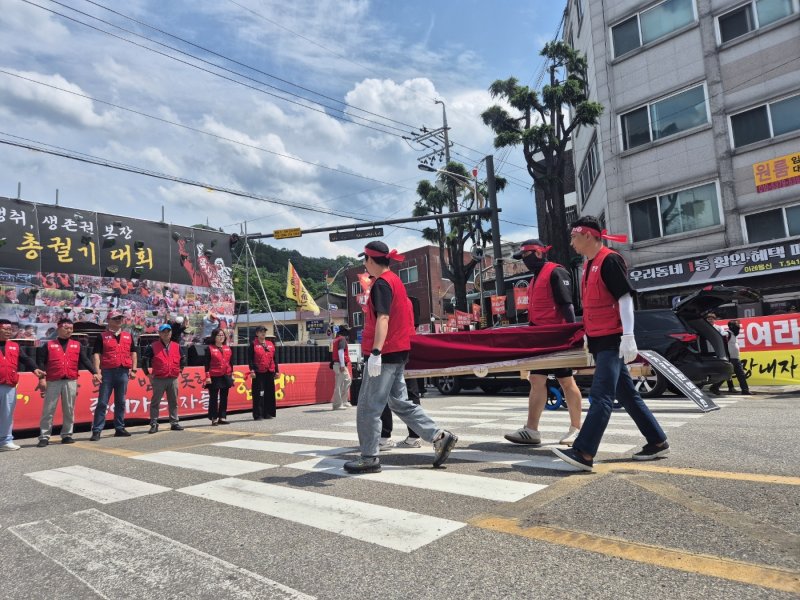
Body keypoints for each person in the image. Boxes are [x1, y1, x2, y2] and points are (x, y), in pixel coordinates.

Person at [552, 216, 669, 472]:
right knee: (627, 394)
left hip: (613, 339)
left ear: (588, 236)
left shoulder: (609, 259)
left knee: (600, 396)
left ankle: (584, 451)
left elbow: (625, 298)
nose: (571, 242)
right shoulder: (588, 265)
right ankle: (657, 441)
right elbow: (595, 306)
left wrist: (629, 336)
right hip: (600, 338)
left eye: (574, 236)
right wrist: (587, 334)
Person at [343, 241, 457, 474]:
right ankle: (439, 436)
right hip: (398, 352)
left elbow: (383, 319)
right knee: (399, 402)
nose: (364, 265)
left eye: (364, 260)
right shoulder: (396, 282)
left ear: (371, 260)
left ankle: (369, 457)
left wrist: (375, 353)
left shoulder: (381, 284)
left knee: (367, 406)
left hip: (384, 353)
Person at [503, 239, 583, 447]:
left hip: (558, 338)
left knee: (566, 381)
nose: (524, 262)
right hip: (540, 339)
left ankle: (577, 429)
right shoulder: (534, 279)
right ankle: (531, 430)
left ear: (539, 253)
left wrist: (572, 338)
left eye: (526, 257)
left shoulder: (556, 272)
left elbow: (568, 307)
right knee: (536, 380)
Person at [36, 317, 99, 447]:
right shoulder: (48, 345)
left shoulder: (77, 345)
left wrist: (95, 373)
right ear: (58, 328)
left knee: (69, 409)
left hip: (71, 380)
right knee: (48, 410)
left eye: (71, 328)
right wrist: (41, 379)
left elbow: (85, 360)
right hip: (53, 381)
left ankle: (67, 434)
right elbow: (41, 363)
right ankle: (44, 436)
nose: (69, 331)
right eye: (66, 328)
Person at [90, 311, 137, 441]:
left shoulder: (128, 336)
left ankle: (119, 428)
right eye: (115, 318)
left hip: (123, 371)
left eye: (120, 318)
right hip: (107, 372)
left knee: (121, 401)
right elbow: (97, 354)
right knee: (102, 402)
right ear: (109, 320)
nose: (118, 320)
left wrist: (133, 369)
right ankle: (97, 430)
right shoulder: (102, 336)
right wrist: (98, 371)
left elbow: (133, 353)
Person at [0, 319, 44, 451]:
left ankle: (5, 441)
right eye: (5, 329)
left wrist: (35, 369)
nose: (8, 332)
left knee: (7, 414)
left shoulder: (14, 346)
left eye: (10, 329)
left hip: (9, 386)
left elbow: (25, 359)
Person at [141, 324, 186, 434]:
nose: (166, 333)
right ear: (160, 334)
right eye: (163, 332)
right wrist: (147, 374)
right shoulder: (153, 346)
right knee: (155, 402)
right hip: (159, 379)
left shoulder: (176, 345)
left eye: (168, 331)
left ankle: (174, 422)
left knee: (173, 401)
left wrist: (180, 370)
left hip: (173, 378)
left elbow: (183, 359)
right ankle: (154, 423)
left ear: (171, 333)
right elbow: (144, 360)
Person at [249, 326, 279, 420]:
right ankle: (258, 414)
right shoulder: (253, 344)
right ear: (257, 333)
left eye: (264, 332)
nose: (263, 333)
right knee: (259, 393)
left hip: (269, 371)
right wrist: (252, 370)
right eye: (261, 332)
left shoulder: (270, 344)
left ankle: (268, 413)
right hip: (258, 372)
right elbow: (250, 359)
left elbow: (274, 358)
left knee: (269, 392)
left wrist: (277, 371)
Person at [205, 328, 233, 425]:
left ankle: (222, 417)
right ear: (214, 337)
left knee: (224, 396)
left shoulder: (227, 348)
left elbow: (230, 363)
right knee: (213, 397)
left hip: (226, 375)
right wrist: (207, 376)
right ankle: (214, 417)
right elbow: (207, 364)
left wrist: (231, 375)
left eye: (222, 335)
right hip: (214, 375)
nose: (221, 337)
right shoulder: (210, 348)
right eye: (219, 335)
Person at [724, 319, 751, 395]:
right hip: (730, 358)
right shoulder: (727, 334)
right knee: (726, 374)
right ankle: (714, 387)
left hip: (736, 358)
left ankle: (745, 390)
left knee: (741, 374)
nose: (738, 327)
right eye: (737, 325)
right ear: (731, 326)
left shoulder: (733, 335)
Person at [330, 324, 352, 410]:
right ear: (345, 331)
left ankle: (343, 401)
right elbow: (341, 352)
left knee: (345, 381)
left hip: (337, 364)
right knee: (341, 383)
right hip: (340, 364)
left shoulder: (336, 339)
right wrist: (342, 365)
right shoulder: (342, 339)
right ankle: (338, 404)